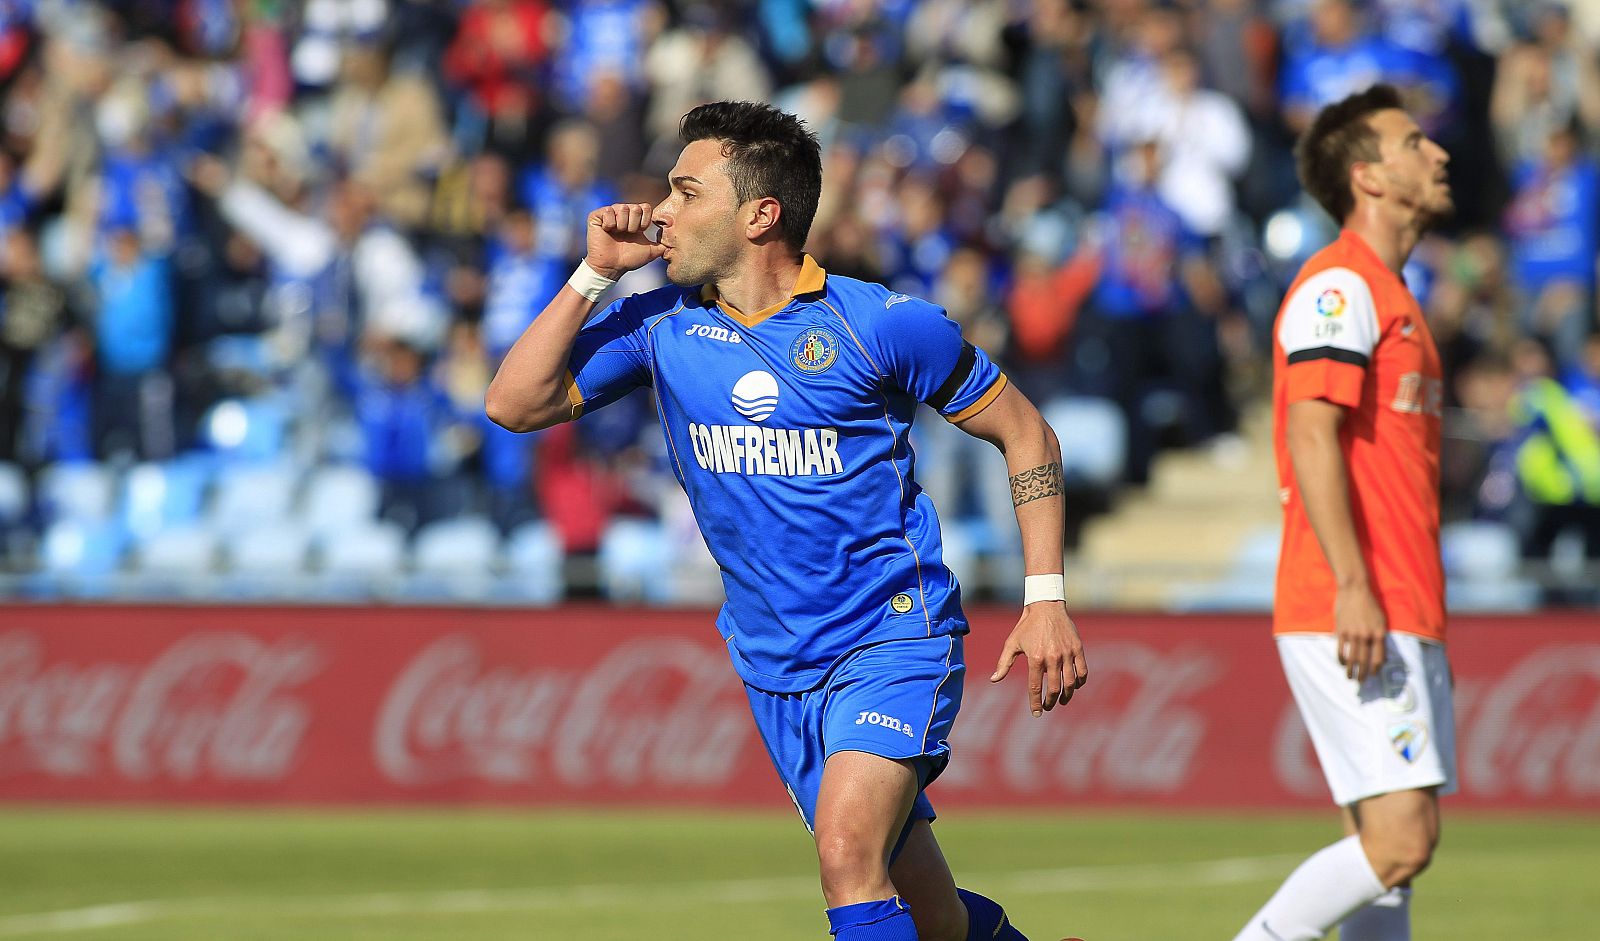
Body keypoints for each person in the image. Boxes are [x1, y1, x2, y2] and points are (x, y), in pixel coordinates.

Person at [486, 101, 1087, 941]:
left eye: (686, 191)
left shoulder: (877, 323)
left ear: (760, 214)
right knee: (933, 916)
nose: (659, 211)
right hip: (774, 660)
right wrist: (593, 277)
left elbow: (1027, 432)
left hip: (891, 635)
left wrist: (1046, 596)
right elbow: (513, 404)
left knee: (847, 855)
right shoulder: (662, 322)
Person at [1233, 83, 1456, 941]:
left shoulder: (1392, 293)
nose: (1437, 154)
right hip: (1355, 600)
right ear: (1367, 177)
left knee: (1380, 852)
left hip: (1399, 597)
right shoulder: (1338, 286)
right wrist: (1356, 585)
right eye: (1413, 143)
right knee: (1402, 841)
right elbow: (1310, 433)